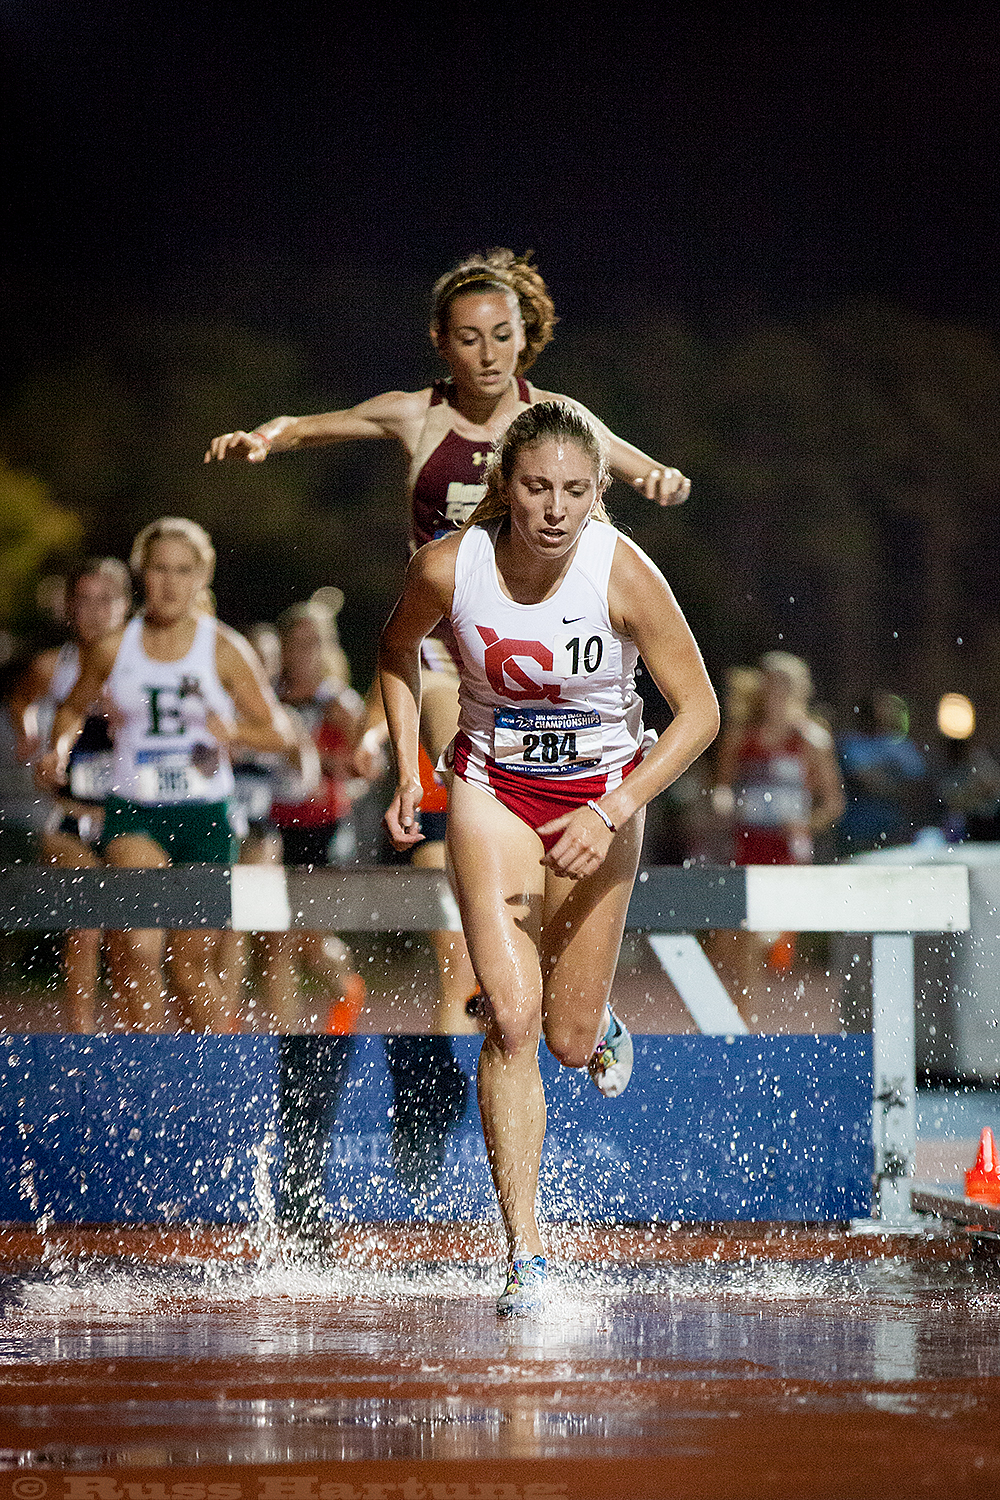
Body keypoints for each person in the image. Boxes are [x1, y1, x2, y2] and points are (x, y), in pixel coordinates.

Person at [204, 247, 691, 1033]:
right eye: (470, 337)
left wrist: (662, 479)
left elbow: (631, 466)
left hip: (530, 646)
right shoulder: (416, 413)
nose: (489, 353)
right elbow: (321, 426)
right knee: (405, 734)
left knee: (453, 751)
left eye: (503, 335)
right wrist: (268, 436)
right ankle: (422, 828)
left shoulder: (549, 419)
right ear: (443, 341)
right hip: (443, 638)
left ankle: (506, 940)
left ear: (524, 336)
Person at [378, 402, 719, 1313]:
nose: (556, 509)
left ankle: (598, 1026)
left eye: (575, 490)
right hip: (491, 791)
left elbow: (701, 714)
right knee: (513, 1019)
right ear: (504, 487)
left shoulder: (623, 571)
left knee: (567, 1039)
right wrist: (410, 765)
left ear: (598, 492)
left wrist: (614, 808)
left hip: (604, 799)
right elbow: (395, 650)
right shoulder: (450, 566)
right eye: (537, 488)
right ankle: (524, 1254)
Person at [38, 517, 301, 1032]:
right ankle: (150, 1081)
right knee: (137, 950)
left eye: (183, 571)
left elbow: (281, 734)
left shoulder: (224, 649)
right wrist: (60, 748)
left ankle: (224, 1075)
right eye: (158, 569)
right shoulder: (114, 646)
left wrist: (236, 734)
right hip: (135, 810)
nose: (169, 583)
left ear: (202, 578)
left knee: (189, 968)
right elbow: (72, 708)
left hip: (206, 817)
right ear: (141, 574)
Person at [12, 558, 132, 1031]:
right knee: (85, 918)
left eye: (107, 600)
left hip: (128, 816)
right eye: (84, 600)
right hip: (69, 815)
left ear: (126, 605)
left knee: (128, 935)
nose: (95, 612)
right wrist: (27, 731)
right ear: (69, 609)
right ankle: (80, 1034)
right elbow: (20, 698)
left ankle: (132, 1036)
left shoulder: (145, 666)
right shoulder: (51, 666)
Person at [710, 651, 844, 989]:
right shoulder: (742, 735)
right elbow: (721, 785)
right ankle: (742, 1019)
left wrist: (804, 824)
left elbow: (833, 805)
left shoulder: (813, 740)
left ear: (801, 691)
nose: (777, 695)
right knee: (733, 942)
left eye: (785, 687)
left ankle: (766, 1014)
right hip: (744, 845)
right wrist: (723, 801)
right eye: (770, 687)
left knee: (768, 937)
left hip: (788, 850)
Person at [835, 692, 928, 856]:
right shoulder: (851, 743)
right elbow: (867, 783)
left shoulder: (903, 746)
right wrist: (892, 784)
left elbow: (917, 787)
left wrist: (887, 785)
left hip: (898, 825)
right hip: (858, 826)